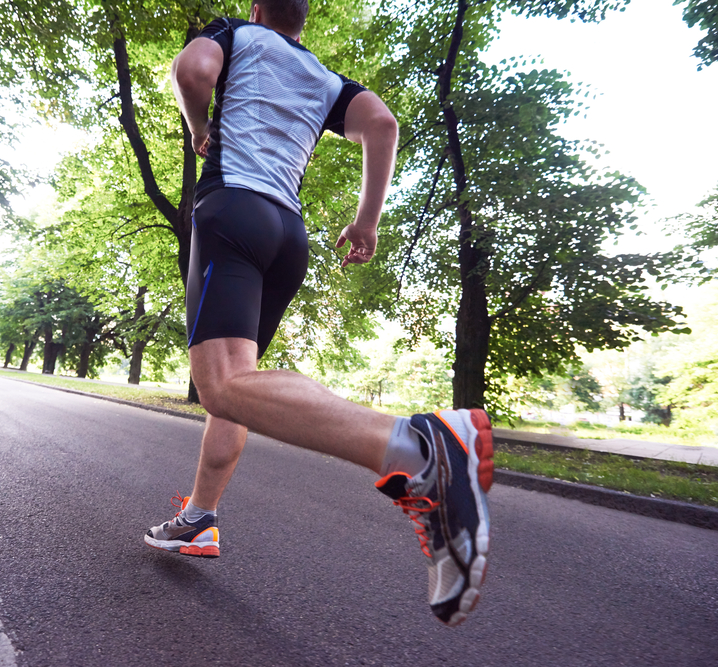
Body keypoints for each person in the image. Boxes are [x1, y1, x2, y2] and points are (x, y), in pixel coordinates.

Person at [143, 0, 494, 627]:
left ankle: (418, 450)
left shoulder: (238, 33)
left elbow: (194, 71)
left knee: (220, 383)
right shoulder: (327, 79)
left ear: (257, 7)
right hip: (288, 234)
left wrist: (199, 126)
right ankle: (198, 518)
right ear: (302, 19)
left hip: (233, 213)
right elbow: (381, 125)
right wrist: (367, 220)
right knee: (240, 386)